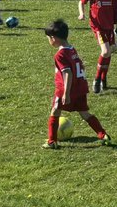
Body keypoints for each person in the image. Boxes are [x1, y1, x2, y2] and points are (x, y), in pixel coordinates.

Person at [43, 19, 112, 149]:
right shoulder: (72, 49)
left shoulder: (60, 55)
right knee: (85, 114)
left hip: (66, 89)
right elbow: (81, 66)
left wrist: (66, 93)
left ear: (53, 38)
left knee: (55, 111)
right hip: (81, 88)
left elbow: (67, 73)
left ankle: (52, 141)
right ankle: (103, 134)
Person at [78, 0, 117, 94]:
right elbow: (81, 2)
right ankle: (96, 79)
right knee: (105, 51)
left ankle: (103, 77)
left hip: (109, 26)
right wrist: (82, 13)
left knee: (109, 52)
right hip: (98, 26)